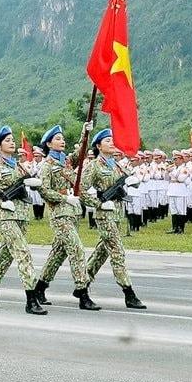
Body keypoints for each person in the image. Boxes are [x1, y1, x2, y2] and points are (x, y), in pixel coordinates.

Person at [0, 126, 44, 315]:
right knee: (23, 253)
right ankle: (31, 299)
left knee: (5, 257)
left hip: (21, 216)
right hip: (5, 217)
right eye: (7, 140)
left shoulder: (18, 165)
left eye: (13, 140)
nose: (12, 142)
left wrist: (34, 184)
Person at [33, 126, 99, 310]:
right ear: (48, 144)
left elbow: (82, 151)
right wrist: (64, 198)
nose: (62, 141)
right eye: (57, 139)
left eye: (62, 138)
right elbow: (44, 190)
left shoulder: (67, 161)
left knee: (58, 253)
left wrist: (85, 132)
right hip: (59, 213)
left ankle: (40, 288)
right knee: (76, 249)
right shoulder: (46, 165)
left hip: (73, 213)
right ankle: (82, 293)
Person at [80, 127, 145, 310]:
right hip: (104, 214)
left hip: (117, 212)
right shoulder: (93, 166)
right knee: (117, 251)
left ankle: (82, 284)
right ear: (99, 146)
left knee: (102, 253)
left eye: (112, 140)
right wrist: (98, 203)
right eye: (107, 141)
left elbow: (128, 178)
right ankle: (129, 293)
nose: (111, 143)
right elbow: (81, 189)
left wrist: (133, 180)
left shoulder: (116, 164)